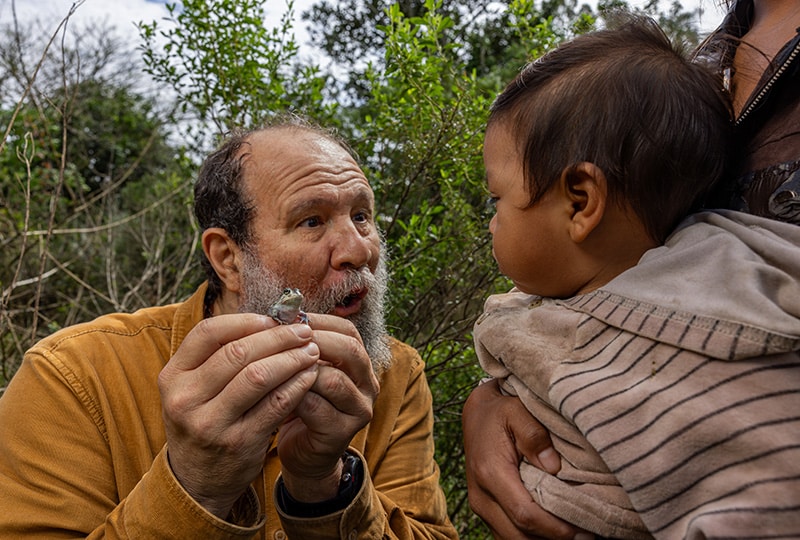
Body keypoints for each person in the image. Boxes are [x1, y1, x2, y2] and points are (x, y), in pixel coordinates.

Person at [0, 117, 458, 539]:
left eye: (361, 215)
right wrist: (195, 486)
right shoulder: (75, 377)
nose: (358, 251)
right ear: (228, 259)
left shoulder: (395, 373)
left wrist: (324, 486)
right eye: (312, 221)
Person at [463, 1, 800, 538]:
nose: (491, 223)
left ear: (581, 203)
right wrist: (493, 400)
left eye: (495, 201)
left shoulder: (699, 343)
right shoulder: (710, 64)